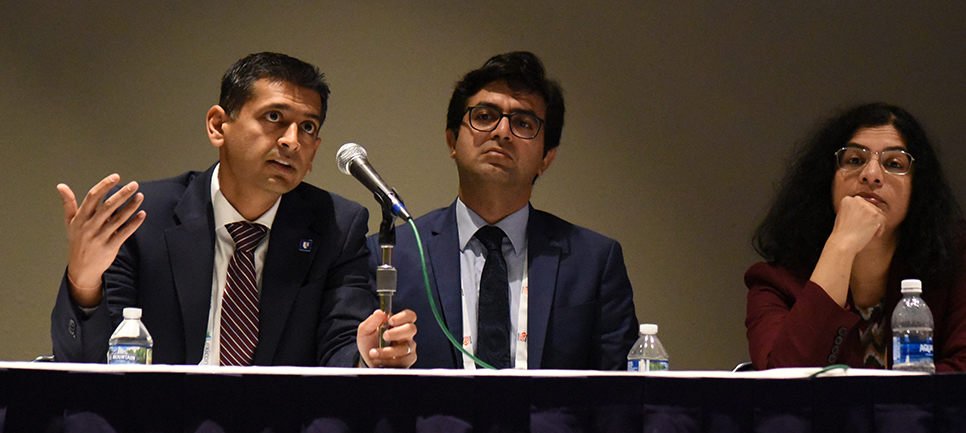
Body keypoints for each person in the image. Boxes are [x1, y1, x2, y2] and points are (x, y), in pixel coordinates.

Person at [51, 52, 416, 368]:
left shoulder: (337, 226)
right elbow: (89, 364)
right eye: (274, 117)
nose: (291, 140)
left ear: (315, 149)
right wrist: (84, 282)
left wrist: (365, 355)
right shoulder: (143, 219)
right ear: (218, 125)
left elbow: (339, 345)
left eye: (307, 127)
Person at [369, 51, 638, 370]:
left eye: (523, 123)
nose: (502, 132)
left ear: (546, 158)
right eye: (484, 116)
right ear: (452, 141)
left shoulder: (594, 260)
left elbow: (622, 390)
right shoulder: (391, 254)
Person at [746, 102, 966, 372]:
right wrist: (841, 245)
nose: (871, 175)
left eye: (893, 163)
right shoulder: (774, 284)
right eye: (854, 160)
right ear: (827, 179)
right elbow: (785, 385)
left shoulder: (958, 261)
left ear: (917, 187)